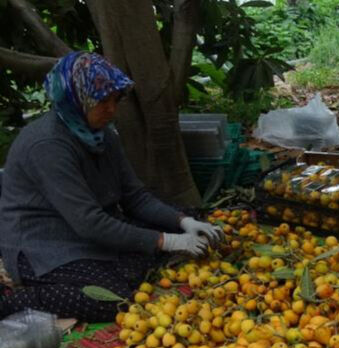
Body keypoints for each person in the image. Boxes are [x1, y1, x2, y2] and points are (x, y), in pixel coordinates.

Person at [0, 52, 222, 322]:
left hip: (87, 229)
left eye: (114, 100)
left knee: (183, 224)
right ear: (76, 100)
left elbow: (135, 197)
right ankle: (15, 301)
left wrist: (183, 222)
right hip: (44, 244)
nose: (111, 109)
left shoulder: (101, 133)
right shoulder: (47, 145)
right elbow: (89, 223)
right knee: (111, 299)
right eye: (101, 102)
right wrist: (167, 241)